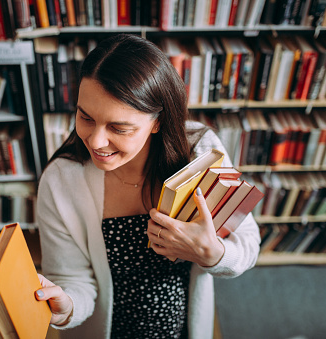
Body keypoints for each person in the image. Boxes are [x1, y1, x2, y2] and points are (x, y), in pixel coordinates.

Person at [35, 34, 261, 339]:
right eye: (85, 117)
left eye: (119, 128)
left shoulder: (202, 152)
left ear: (158, 121)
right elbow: (74, 280)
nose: (96, 141)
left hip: (183, 326)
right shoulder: (60, 181)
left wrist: (214, 254)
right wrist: (66, 306)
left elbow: (247, 242)